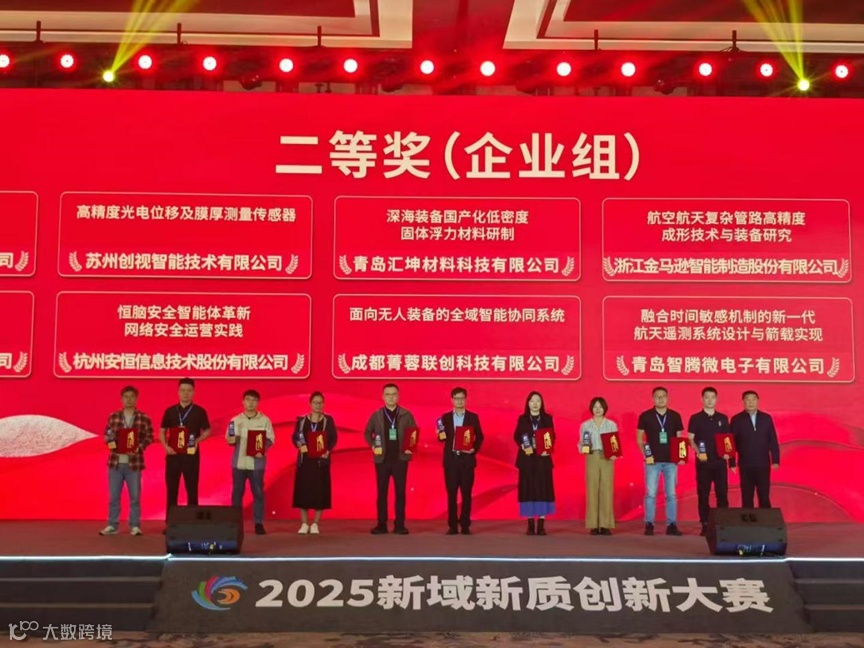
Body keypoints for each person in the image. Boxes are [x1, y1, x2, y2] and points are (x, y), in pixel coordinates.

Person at [100, 385, 154, 536]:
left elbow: (150, 436)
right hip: (115, 463)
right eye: (126, 397)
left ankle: (135, 525)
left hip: (134, 464)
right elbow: (107, 434)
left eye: (132, 397)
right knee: (114, 497)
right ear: (121, 399)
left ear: (136, 398)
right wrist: (108, 440)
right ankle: (112, 525)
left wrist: (140, 446)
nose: (129, 399)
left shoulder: (143, 417)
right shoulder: (114, 416)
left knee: (135, 497)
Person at [364, 383, 417, 535]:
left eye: (394, 394)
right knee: (382, 493)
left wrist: (410, 446)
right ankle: (381, 524)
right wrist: (373, 445)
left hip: (400, 459)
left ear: (398, 396)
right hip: (382, 460)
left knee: (400, 493)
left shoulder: (406, 414)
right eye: (388, 394)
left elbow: (413, 432)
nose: (391, 397)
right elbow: (367, 433)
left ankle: (400, 525)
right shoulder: (377, 415)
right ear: (383, 397)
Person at [160, 377, 210, 529]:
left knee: (192, 489)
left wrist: (197, 441)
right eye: (182, 390)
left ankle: (194, 523)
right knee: (172, 490)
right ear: (178, 392)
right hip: (173, 455)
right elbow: (162, 431)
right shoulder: (170, 411)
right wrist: (165, 446)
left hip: (191, 456)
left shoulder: (199, 411)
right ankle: (170, 523)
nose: (185, 393)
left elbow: (207, 430)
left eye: (189, 390)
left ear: (193, 392)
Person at [436, 387, 484, 535]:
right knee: (451, 494)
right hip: (451, 461)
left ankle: (465, 525)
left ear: (465, 399)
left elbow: (480, 436)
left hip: (466, 460)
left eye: (462, 398)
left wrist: (473, 449)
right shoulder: (444, 418)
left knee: (466, 494)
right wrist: (439, 434)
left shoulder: (473, 417)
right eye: (456, 398)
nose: (459, 401)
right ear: (452, 400)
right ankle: (452, 525)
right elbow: (442, 438)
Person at [637, 386, 684, 536]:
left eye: (663, 396)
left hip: (671, 461)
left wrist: (680, 457)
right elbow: (639, 438)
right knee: (651, 494)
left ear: (667, 398)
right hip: (652, 462)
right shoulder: (645, 416)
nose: (660, 399)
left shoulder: (675, 416)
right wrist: (646, 455)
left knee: (671, 494)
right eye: (657, 396)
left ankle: (672, 525)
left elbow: (679, 438)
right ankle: (649, 524)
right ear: (653, 398)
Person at [227, 389, 274, 535]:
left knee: (258, 493)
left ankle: (258, 523)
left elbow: (270, 439)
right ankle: (235, 523)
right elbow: (229, 439)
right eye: (248, 399)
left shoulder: (264, 420)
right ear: (243, 402)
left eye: (254, 400)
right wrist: (232, 439)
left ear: (258, 402)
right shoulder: (235, 421)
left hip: (257, 464)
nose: (251, 403)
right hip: (239, 463)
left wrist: (263, 449)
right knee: (237, 493)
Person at [687, 386, 733, 536]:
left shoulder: (723, 418)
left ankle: (723, 524)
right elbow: (690, 439)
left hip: (720, 463)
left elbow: (727, 439)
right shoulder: (695, 418)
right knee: (703, 494)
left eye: (712, 397)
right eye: (706, 397)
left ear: (716, 399)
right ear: (702, 399)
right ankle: (705, 524)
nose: (709, 400)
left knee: (722, 493)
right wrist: (698, 452)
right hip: (703, 463)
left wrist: (728, 454)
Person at [292, 391, 338, 534]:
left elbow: (333, 438)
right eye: (315, 402)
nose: (318, 405)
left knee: (320, 492)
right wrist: (298, 444)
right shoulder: (302, 421)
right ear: (310, 404)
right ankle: (304, 523)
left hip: (320, 462)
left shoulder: (328, 420)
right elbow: (295, 437)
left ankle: (315, 524)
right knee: (303, 492)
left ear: (323, 404)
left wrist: (328, 450)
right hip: (305, 462)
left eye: (320, 403)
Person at [513, 391, 556, 536]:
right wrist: (522, 445)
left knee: (543, 489)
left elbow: (552, 436)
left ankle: (541, 523)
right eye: (532, 401)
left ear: (541, 403)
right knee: (528, 489)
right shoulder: (522, 419)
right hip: (527, 459)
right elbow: (516, 436)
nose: (535, 404)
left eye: (538, 401)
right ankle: (530, 523)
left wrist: (548, 449)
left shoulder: (547, 418)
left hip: (543, 459)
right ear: (528, 403)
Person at [730, 390, 780, 508]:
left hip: (763, 463)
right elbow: (731, 442)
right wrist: (731, 462)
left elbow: (773, 440)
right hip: (745, 463)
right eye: (748, 399)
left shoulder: (766, 418)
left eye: (753, 399)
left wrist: (775, 460)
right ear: (743, 402)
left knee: (764, 496)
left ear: (758, 401)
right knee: (747, 496)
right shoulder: (736, 419)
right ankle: (748, 519)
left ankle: (766, 519)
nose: (751, 402)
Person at [580, 396, 618, 536]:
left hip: (607, 457)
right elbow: (581, 442)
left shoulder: (611, 424)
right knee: (592, 489)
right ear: (591, 408)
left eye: (600, 407)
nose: (597, 409)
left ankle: (605, 524)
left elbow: (615, 443)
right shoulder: (585, 425)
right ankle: (593, 525)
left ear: (604, 408)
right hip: (592, 456)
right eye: (595, 407)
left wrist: (614, 453)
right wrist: (583, 449)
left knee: (606, 489)